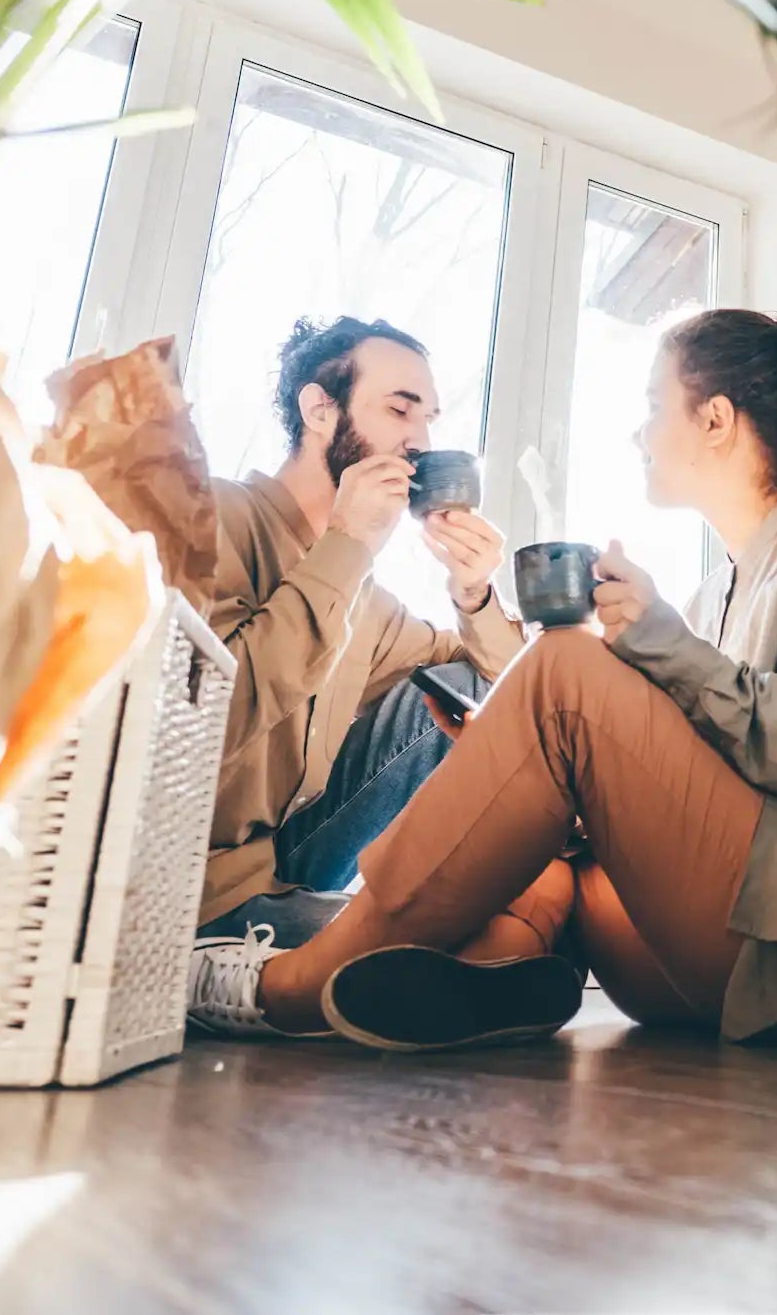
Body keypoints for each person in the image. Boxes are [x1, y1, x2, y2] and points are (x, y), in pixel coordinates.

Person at [186, 308, 777, 1054]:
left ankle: (293, 987)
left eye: (654, 406)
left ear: (715, 419)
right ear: (319, 408)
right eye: (403, 409)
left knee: (566, 663)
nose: (640, 430)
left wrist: (493, 600)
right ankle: (492, 974)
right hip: (722, 946)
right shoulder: (719, 590)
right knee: (542, 840)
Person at [186, 316, 573, 1030]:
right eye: (399, 409)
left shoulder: (366, 600)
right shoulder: (211, 517)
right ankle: (233, 969)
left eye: (429, 418)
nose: (420, 439)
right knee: (465, 949)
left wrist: (474, 595)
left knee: (459, 696)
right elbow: (212, 710)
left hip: (290, 864)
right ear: (319, 408)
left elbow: (500, 682)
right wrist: (348, 541)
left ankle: (362, 962)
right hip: (194, 883)